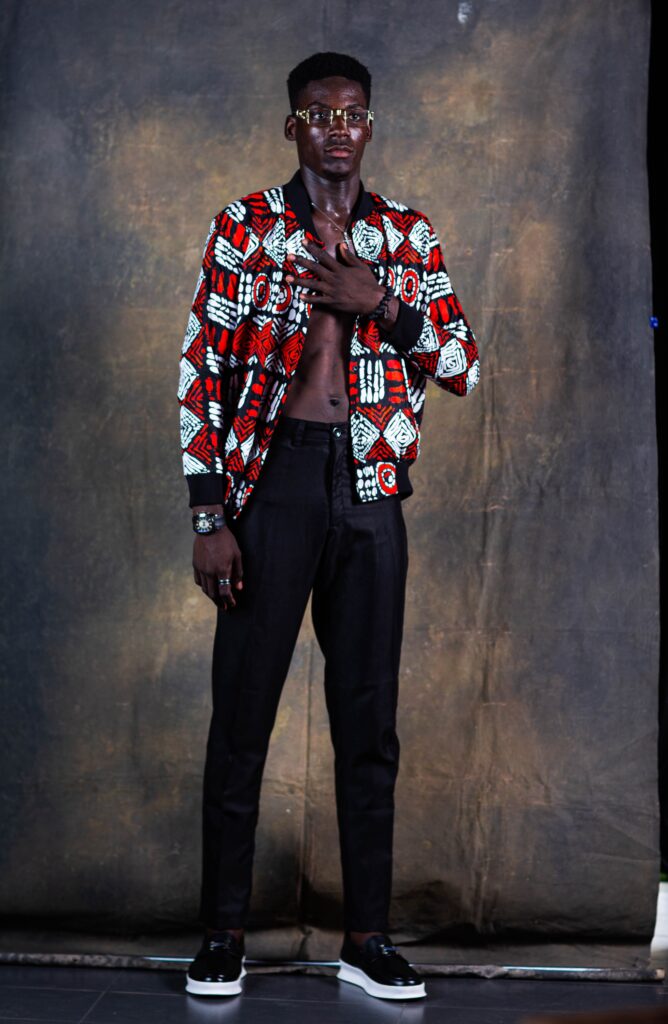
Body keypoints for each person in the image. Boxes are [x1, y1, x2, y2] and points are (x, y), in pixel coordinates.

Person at [178, 50, 480, 1001]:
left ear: (370, 126)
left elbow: (463, 364)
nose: (337, 129)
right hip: (273, 486)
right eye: (319, 114)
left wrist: (377, 302)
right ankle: (223, 934)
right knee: (242, 718)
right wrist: (210, 514)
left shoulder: (407, 234)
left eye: (352, 114)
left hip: (371, 489)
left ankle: (367, 939)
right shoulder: (245, 226)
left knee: (368, 726)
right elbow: (200, 371)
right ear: (293, 127)